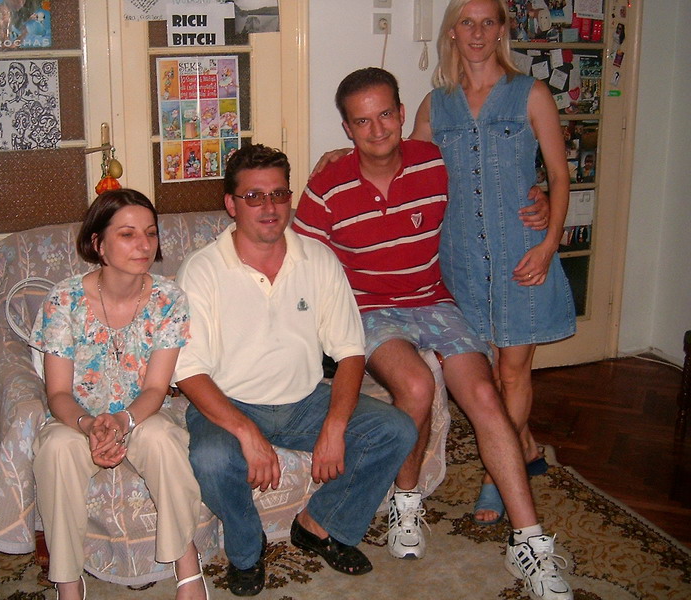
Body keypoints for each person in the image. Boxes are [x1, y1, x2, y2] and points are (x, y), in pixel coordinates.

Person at [294, 67, 573, 599]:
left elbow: (492, 189)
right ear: (347, 129)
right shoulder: (328, 184)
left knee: (485, 395)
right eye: (362, 121)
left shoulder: (434, 162)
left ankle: (530, 542)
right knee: (418, 386)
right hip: (369, 309)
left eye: (385, 115)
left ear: (402, 114)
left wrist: (537, 195)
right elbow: (298, 261)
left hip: (433, 300)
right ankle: (407, 502)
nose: (377, 129)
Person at [174, 143, 417, 597]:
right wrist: (247, 432)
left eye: (279, 194)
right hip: (229, 403)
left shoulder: (318, 259)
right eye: (254, 196)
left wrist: (336, 424)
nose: (269, 207)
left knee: (396, 430)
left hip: (305, 400)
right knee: (211, 458)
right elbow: (188, 371)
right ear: (231, 204)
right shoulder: (202, 270)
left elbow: (350, 352)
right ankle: (246, 550)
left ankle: (319, 525)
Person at [412, 0, 576, 531]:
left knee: (512, 371)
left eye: (488, 22)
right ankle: (522, 444)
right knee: (479, 373)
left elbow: (559, 175)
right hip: (459, 259)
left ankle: (496, 478)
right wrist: (337, 159)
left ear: (502, 30)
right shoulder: (436, 107)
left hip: (521, 253)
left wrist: (549, 243)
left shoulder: (531, 94)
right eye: (467, 22)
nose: (478, 33)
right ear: (452, 33)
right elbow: (403, 170)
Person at [30, 189, 207, 600]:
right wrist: (89, 425)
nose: (144, 245)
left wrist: (124, 420)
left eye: (150, 233)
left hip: (141, 414)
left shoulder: (168, 299)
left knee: (164, 441)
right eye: (127, 234)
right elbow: (57, 392)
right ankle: (68, 582)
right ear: (98, 244)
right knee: (56, 450)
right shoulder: (64, 300)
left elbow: (156, 388)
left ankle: (186, 565)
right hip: (76, 419)